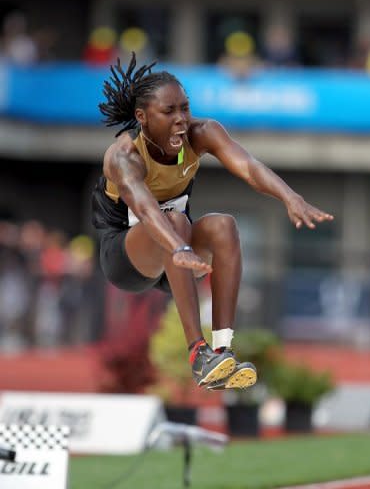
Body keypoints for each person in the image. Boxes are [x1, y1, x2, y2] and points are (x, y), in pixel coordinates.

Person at [92, 53, 334, 391]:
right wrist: (178, 246)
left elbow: (248, 166)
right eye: (169, 112)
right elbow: (145, 208)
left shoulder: (200, 133)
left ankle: (221, 350)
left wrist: (290, 197)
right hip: (126, 257)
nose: (181, 120)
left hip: (179, 254)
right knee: (173, 220)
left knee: (224, 225)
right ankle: (198, 354)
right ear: (142, 117)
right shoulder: (124, 156)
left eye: (185, 108)